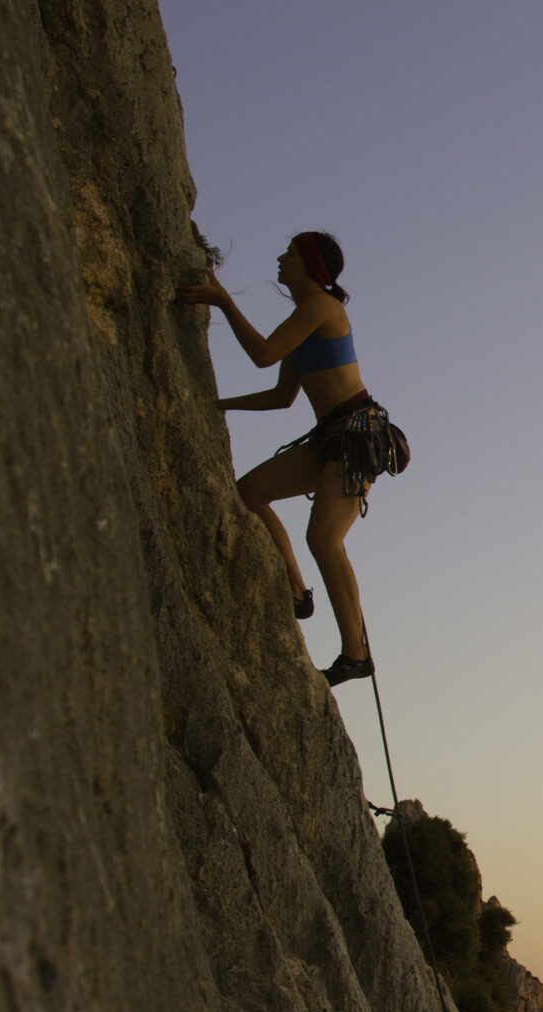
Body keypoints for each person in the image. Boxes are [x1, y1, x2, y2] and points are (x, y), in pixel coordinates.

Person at [177, 231, 380, 686]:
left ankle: (356, 655)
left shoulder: (322, 307)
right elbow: (281, 395)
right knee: (250, 491)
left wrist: (224, 302)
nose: (280, 258)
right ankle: (297, 591)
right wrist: (217, 404)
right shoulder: (304, 318)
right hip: (333, 437)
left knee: (325, 539)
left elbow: (264, 355)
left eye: (290, 253)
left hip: (355, 436)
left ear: (310, 265)